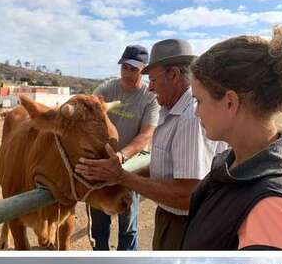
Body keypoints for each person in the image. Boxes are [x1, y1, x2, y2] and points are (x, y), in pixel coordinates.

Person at [76, 39, 227, 250]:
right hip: (168, 210)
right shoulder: (169, 109)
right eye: (125, 67)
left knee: (128, 228)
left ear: (173, 74)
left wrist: (121, 174)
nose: (152, 87)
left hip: (184, 221)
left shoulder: (188, 118)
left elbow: (186, 195)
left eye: (153, 79)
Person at [182, 26, 282, 250]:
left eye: (199, 101)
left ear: (230, 102)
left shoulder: (273, 208)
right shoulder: (233, 163)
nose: (196, 112)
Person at [90, 45, 159, 250]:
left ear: (144, 70)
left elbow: (146, 133)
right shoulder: (105, 90)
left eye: (134, 69)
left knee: (128, 224)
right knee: (99, 222)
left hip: (128, 163)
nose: (128, 73)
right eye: (125, 67)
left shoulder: (150, 96)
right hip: (102, 163)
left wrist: (121, 156)